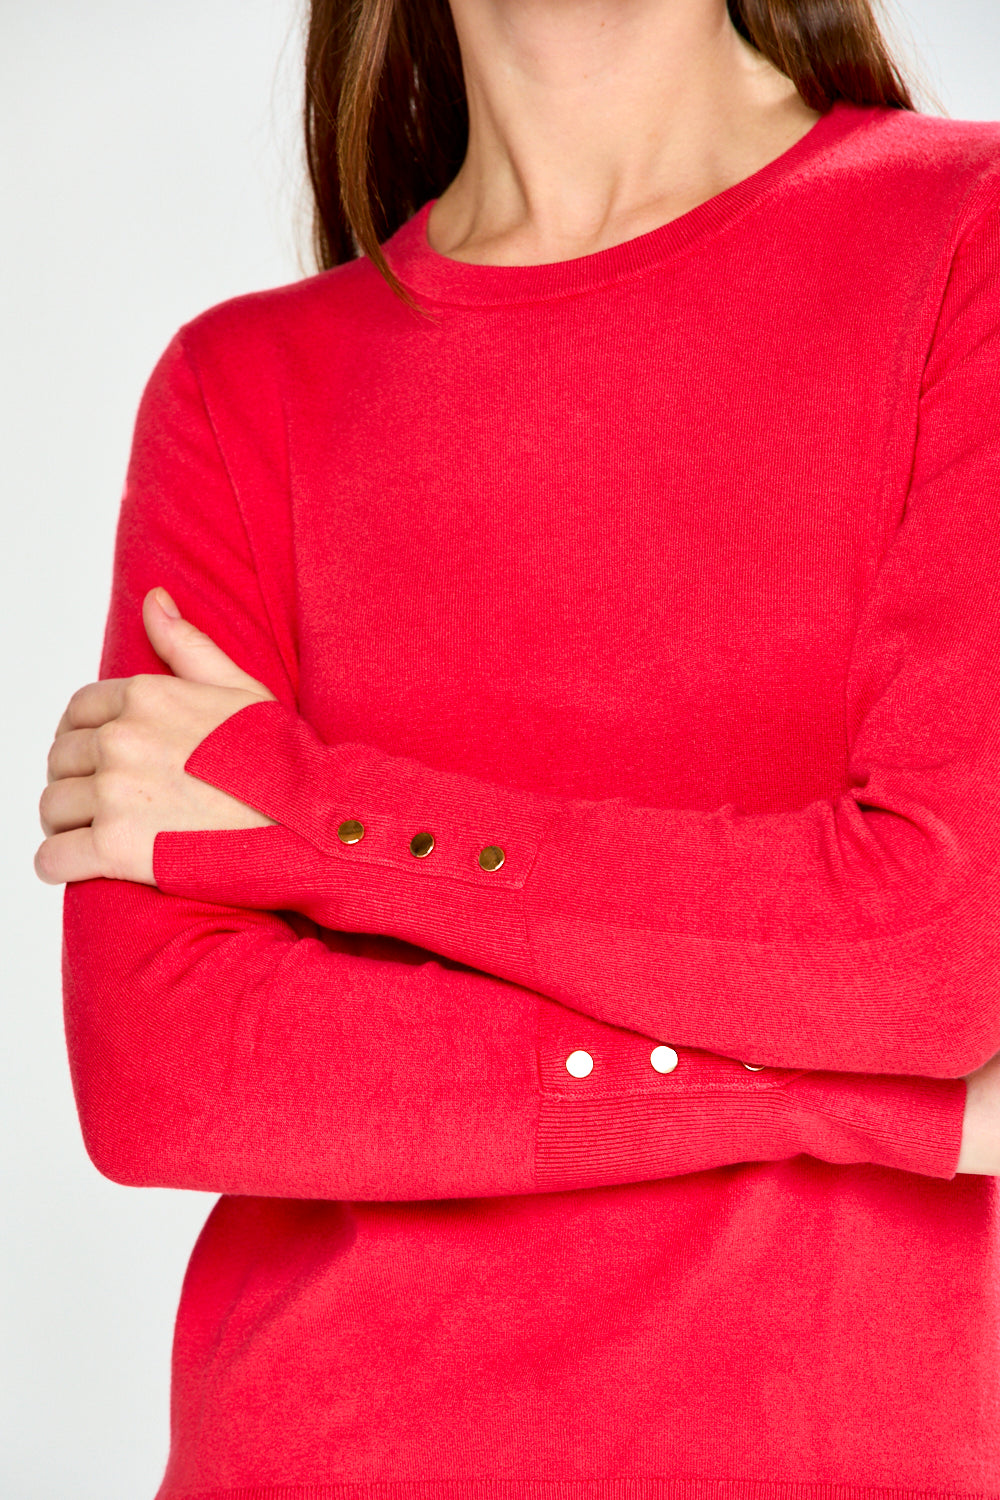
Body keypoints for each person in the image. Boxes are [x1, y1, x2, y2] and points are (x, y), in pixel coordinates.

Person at [34, 0, 1000, 1493]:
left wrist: (308, 823)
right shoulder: (245, 392)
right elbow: (167, 1071)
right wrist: (858, 1104)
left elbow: (928, 949)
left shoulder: (964, 236)